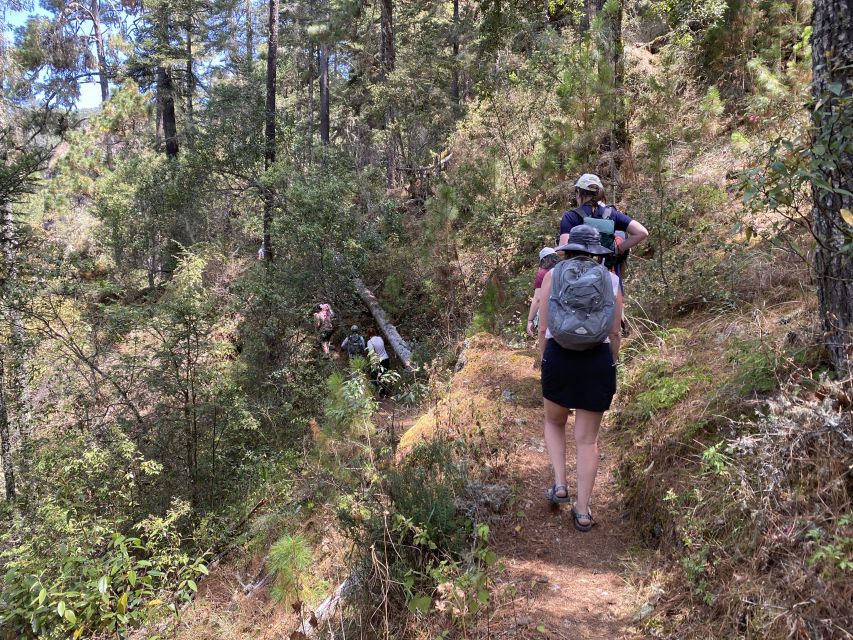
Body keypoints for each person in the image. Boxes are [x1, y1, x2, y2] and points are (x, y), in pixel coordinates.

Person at [538, 224, 624, 532]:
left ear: (568, 249)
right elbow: (614, 331)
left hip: (559, 357)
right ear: (596, 252)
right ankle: (583, 510)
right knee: (588, 440)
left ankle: (560, 485)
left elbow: (543, 328)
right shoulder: (611, 280)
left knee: (554, 422)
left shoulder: (552, 275)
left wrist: (543, 359)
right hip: (596, 361)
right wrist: (610, 363)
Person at [558, 173, 648, 286]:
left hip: (577, 278)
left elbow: (562, 252)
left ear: (579, 192)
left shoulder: (571, 216)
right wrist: (619, 248)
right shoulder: (612, 214)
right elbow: (642, 232)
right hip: (605, 276)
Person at [526, 247, 562, 338]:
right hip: (566, 313)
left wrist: (530, 320)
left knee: (544, 335)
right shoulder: (564, 270)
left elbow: (538, 299)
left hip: (549, 312)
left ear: (543, 260)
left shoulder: (542, 273)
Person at [367, 333, 391, 397]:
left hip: (379, 361)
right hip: (386, 359)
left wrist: (373, 365)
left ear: (368, 335)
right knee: (384, 376)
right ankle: (386, 392)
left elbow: (372, 354)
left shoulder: (370, 342)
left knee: (375, 376)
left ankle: (381, 393)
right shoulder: (380, 338)